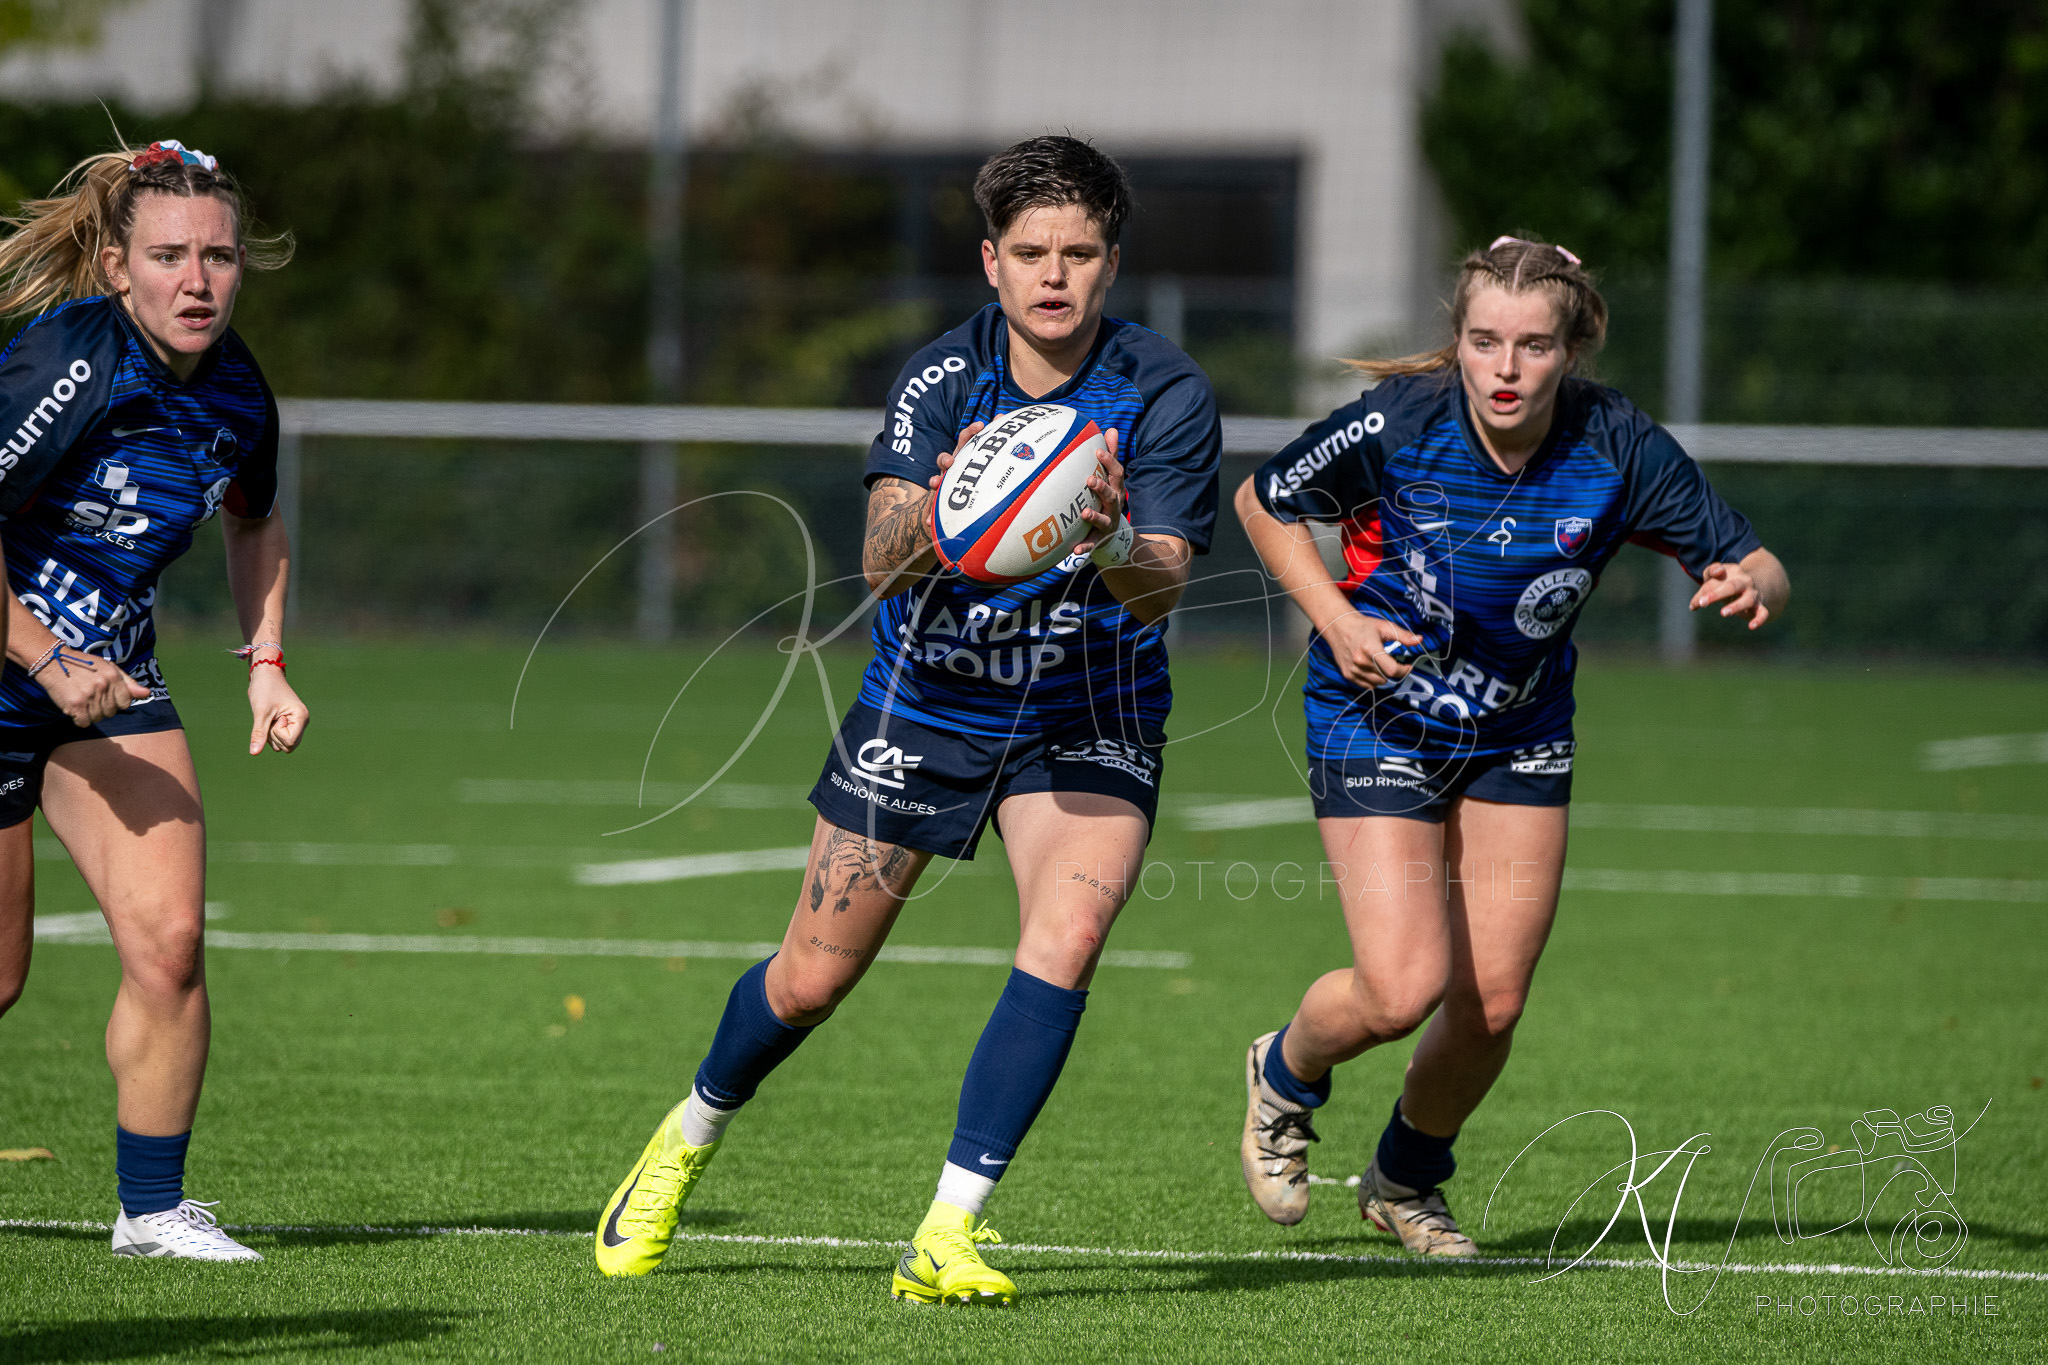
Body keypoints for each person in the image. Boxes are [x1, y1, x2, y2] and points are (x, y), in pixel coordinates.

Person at [596, 135, 1220, 1304]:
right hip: (926, 700)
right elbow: (881, 560)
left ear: (1111, 261)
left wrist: (1105, 536)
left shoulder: (1163, 388)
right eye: (1028, 252)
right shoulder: (943, 377)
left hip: (1087, 705)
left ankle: (946, 1231)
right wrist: (953, 511)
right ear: (989, 262)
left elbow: (1163, 585)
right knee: (809, 981)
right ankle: (687, 1134)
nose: (1053, 275)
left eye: (1078, 252)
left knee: (1068, 938)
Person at [1234, 237, 1787, 1253]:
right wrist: (1335, 619)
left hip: (1517, 733)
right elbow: (1262, 502)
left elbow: (1758, 559)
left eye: (1533, 346)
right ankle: (1283, 1074)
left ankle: (1404, 1180)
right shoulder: (1399, 421)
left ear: (1570, 350)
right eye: (1484, 341)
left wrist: (1752, 580)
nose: (1505, 367)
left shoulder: (1616, 442)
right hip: (1378, 713)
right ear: (1457, 340)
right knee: (1400, 990)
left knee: (1489, 1003)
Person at [0, 140, 306, 1261]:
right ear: (117, 266)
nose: (197, 279)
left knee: (171, 943)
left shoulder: (237, 389)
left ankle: (153, 1211)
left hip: (112, 683)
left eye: (218, 256)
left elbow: (254, 520)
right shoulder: (71, 360)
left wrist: (266, 661)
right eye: (169, 255)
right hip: (18, 672)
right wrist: (45, 660)